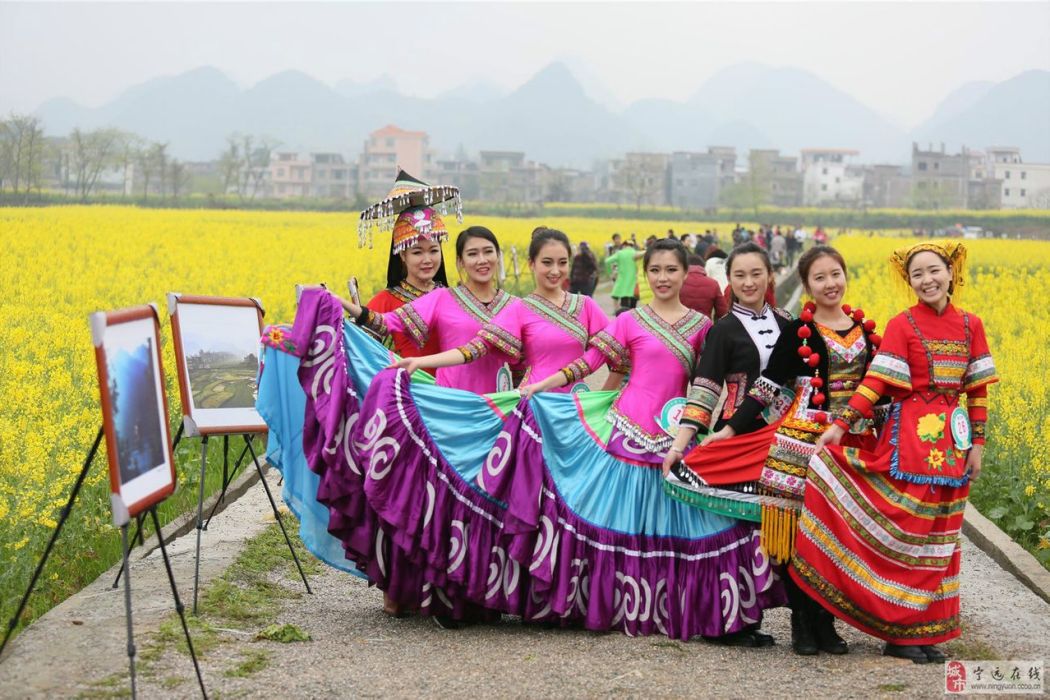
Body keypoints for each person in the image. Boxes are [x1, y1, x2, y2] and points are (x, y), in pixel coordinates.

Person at [512, 238, 783, 643]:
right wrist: (543, 385)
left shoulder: (703, 326)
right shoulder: (628, 320)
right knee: (614, 521)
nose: (662, 278)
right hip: (628, 436)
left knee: (706, 525)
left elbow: (710, 383)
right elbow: (591, 362)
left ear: (683, 274)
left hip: (679, 437)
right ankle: (590, 606)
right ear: (645, 274)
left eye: (670, 270)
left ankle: (715, 618)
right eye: (655, 270)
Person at [665, 245, 885, 657]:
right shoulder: (723, 329)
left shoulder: (791, 322)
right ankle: (741, 620)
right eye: (740, 275)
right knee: (753, 538)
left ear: (770, 276)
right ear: (730, 280)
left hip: (803, 437)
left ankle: (819, 620)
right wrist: (704, 436)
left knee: (818, 531)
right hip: (750, 436)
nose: (749, 283)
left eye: (757, 274)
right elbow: (707, 387)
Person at [798, 240, 997, 664]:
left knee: (939, 539)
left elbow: (977, 392)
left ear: (951, 272)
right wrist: (839, 426)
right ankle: (897, 631)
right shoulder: (903, 324)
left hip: (953, 445)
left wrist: (977, 444)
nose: (927, 280)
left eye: (933, 271)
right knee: (906, 536)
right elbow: (875, 384)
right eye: (917, 275)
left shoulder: (971, 325)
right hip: (908, 440)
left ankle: (925, 628)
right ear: (909, 283)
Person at [391, 228, 611, 392]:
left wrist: (604, 397)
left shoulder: (586, 306)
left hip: (576, 401)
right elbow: (473, 349)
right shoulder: (520, 309)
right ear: (532, 264)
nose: (555, 270)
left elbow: (619, 352)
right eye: (546, 262)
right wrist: (421, 362)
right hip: (534, 401)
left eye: (562, 262)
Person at [340, 226, 516, 394]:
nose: (482, 260)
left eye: (433, 250)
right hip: (439, 395)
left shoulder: (514, 305)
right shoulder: (444, 298)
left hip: (500, 400)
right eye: (417, 252)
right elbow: (379, 330)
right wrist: (338, 302)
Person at [680, 253, 728, 320]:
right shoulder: (713, 283)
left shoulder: (678, 281)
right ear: (703, 266)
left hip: (680, 325)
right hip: (704, 326)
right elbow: (722, 312)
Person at [605, 238, 643, 314]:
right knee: (633, 307)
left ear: (624, 245)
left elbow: (607, 261)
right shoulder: (636, 253)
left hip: (622, 283)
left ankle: (622, 319)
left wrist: (610, 273)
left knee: (623, 305)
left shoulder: (620, 253)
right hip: (634, 282)